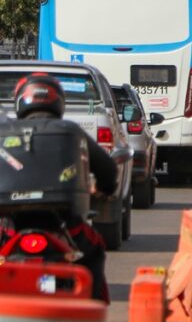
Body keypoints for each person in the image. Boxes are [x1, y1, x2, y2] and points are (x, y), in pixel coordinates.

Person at [10, 74, 117, 302]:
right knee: (95, 250)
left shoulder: (5, 131)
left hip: (9, 229)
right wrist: (105, 189)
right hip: (65, 225)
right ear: (58, 102)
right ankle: (93, 314)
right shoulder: (70, 131)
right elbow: (108, 169)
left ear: (20, 101)